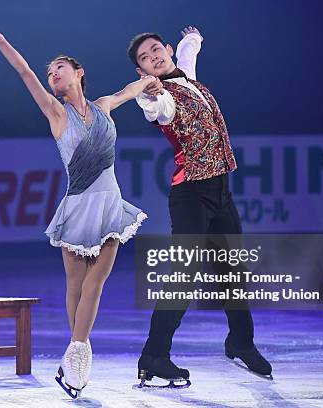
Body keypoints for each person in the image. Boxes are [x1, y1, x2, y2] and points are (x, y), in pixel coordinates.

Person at [0, 19, 155, 397]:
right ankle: (79, 355)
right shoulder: (56, 113)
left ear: (79, 73)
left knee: (95, 284)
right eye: (50, 71)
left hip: (111, 204)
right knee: (76, 284)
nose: (52, 74)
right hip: (79, 206)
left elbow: (129, 90)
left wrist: (150, 82)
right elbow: (24, 71)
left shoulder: (103, 107)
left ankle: (75, 354)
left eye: (59, 68)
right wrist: (2, 38)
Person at [127, 26, 273, 382]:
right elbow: (156, 108)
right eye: (145, 58)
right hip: (192, 193)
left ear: (167, 49)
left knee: (233, 272)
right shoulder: (159, 96)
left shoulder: (186, 76)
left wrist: (193, 38)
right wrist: (151, 93)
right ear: (142, 72)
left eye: (155, 50)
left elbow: (189, 54)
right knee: (184, 276)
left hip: (222, 191)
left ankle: (240, 342)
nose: (153, 57)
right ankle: (154, 355)